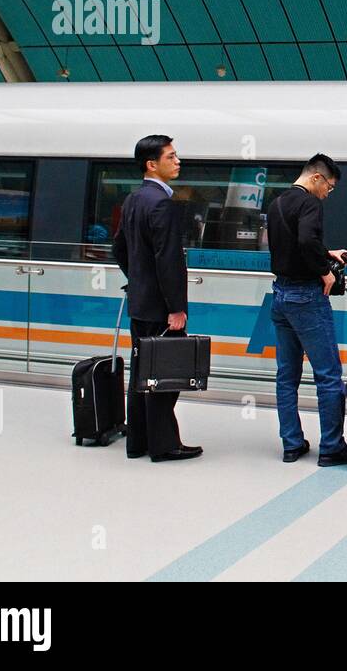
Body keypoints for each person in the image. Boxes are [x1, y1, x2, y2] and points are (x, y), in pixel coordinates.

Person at [112, 135, 200, 462]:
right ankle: (164, 445)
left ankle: (137, 442)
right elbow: (168, 259)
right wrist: (176, 308)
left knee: (141, 370)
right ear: (152, 164)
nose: (178, 162)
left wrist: (138, 281)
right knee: (166, 373)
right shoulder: (161, 203)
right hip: (161, 309)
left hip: (140, 303)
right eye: (171, 157)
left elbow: (119, 248)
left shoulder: (134, 199)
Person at [266, 154, 347, 466]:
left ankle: (291, 444)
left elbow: (294, 244)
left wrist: (326, 252)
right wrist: (325, 270)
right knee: (328, 374)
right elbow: (305, 239)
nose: (327, 194)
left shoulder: (277, 203)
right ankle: (331, 447)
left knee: (286, 375)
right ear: (316, 178)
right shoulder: (309, 204)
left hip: (280, 295)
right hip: (307, 297)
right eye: (329, 187)